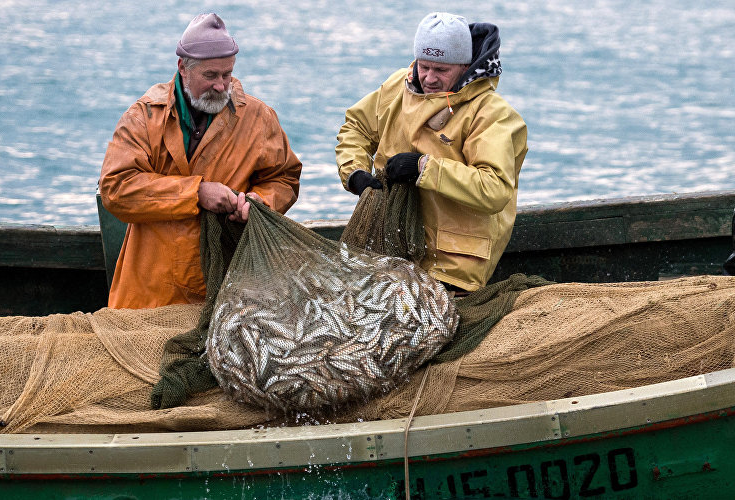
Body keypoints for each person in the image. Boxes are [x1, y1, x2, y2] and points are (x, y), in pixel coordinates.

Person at [99, 13, 302, 309]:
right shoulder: (144, 117)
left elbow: (284, 177)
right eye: (210, 75)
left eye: (227, 74)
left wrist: (261, 202)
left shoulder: (258, 118)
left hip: (226, 292)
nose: (221, 86)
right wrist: (196, 193)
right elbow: (116, 189)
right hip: (147, 295)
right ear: (183, 67)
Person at [336, 12, 527, 293]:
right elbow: (356, 127)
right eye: (424, 66)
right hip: (389, 245)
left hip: (454, 263)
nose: (429, 78)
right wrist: (355, 173)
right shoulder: (396, 87)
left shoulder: (492, 114)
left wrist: (425, 167)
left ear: (464, 66)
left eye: (441, 70)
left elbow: (495, 188)